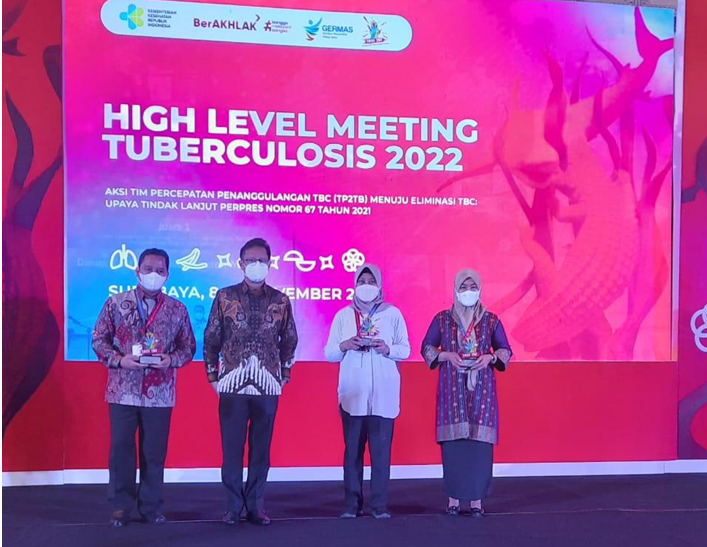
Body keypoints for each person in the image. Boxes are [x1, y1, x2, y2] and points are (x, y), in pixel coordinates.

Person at [92, 248, 196, 527]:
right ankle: (120, 507)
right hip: (122, 390)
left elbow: (188, 347)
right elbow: (98, 339)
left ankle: (151, 507)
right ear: (137, 271)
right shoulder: (116, 303)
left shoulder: (177, 309)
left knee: (154, 452)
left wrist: (171, 360)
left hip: (160, 394)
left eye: (159, 271)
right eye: (148, 269)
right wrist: (119, 360)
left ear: (167, 275)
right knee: (121, 451)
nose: (153, 275)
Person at [204, 237, 298, 527]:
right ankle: (233, 507)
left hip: (267, 385)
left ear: (269, 264)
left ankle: (256, 507)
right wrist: (213, 376)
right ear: (241, 263)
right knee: (232, 449)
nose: (257, 265)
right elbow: (211, 338)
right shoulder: (225, 297)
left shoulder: (281, 300)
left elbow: (290, 339)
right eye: (251, 260)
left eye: (262, 260)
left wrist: (284, 374)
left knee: (261, 450)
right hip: (231, 384)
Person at [420, 269, 512, 517]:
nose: (468, 292)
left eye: (472, 287)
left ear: (479, 290)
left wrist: (490, 358)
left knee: (479, 448)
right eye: (463, 287)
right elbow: (426, 347)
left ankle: (476, 502)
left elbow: (505, 349)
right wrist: (446, 355)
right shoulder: (442, 319)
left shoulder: (491, 320)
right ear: (455, 290)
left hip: (482, 391)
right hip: (452, 391)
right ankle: (453, 500)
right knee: (454, 448)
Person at [325, 264, 411, 520]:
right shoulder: (343, 315)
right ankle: (352, 505)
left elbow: (406, 349)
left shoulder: (392, 314)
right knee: (352, 453)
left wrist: (388, 349)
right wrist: (345, 345)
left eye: (371, 281)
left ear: (380, 285)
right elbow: (329, 353)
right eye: (361, 281)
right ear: (354, 284)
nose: (366, 286)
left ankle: (379, 506)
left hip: (384, 396)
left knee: (381, 454)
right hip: (353, 396)